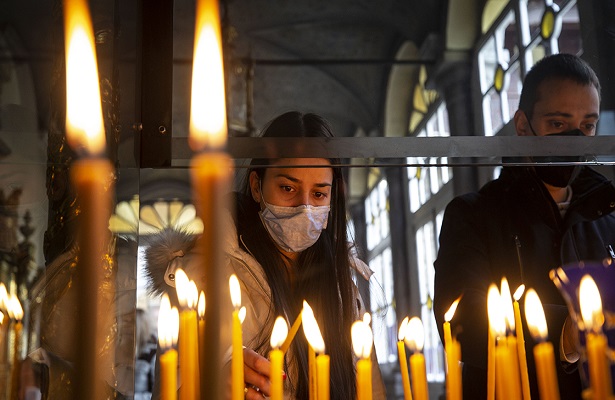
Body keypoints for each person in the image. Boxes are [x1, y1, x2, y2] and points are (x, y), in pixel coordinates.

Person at [144, 111, 386, 400]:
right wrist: (214, 385)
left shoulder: (340, 287)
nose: (304, 207)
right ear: (257, 186)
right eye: (288, 188)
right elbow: (170, 389)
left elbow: (368, 389)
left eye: (319, 194)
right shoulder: (197, 278)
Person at [433, 53, 615, 400]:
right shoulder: (476, 214)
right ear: (522, 126)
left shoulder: (607, 215)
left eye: (587, 126)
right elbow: (460, 320)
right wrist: (564, 332)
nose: (574, 139)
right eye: (558, 124)